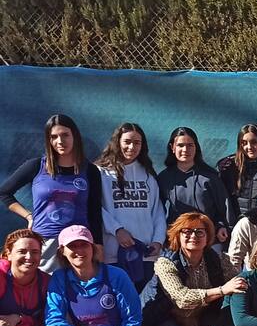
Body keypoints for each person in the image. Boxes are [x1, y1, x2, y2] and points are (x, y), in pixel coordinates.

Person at [138, 212, 244, 326]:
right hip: (165, 315)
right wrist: (221, 290)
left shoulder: (218, 259)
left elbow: (238, 281)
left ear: (208, 237)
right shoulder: (165, 262)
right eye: (186, 231)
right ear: (177, 235)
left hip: (200, 313)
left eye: (199, 232)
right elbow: (182, 298)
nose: (193, 236)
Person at [0, 114, 103, 271]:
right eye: (54, 136)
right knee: (45, 293)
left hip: (79, 245)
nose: (60, 141)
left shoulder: (90, 170)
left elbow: (95, 211)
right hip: (45, 242)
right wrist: (29, 216)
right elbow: (4, 193)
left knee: (77, 293)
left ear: (75, 136)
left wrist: (98, 245)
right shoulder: (35, 166)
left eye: (65, 135)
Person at [95, 122, 166, 289]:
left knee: (143, 306)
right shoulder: (100, 172)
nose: (132, 147)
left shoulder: (148, 174)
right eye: (127, 141)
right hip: (113, 254)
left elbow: (157, 211)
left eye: (137, 143)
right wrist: (117, 230)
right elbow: (95, 208)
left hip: (146, 254)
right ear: (117, 142)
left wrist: (158, 241)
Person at [158, 127, 235, 246]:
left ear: (196, 148)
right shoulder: (163, 178)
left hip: (210, 241)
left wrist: (222, 227)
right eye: (180, 145)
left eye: (190, 145)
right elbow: (157, 212)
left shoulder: (210, 177)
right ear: (172, 147)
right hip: (177, 242)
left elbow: (225, 209)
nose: (185, 149)